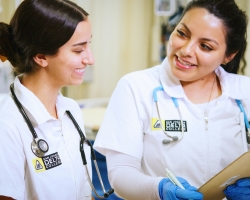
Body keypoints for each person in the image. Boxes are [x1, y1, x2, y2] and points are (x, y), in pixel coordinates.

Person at [93, 0, 250, 199]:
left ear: (229, 55)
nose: (186, 50)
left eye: (205, 46)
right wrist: (158, 189)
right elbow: (120, 173)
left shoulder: (244, 92)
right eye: (182, 33)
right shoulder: (136, 87)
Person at [0, 0, 95, 199]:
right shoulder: (7, 126)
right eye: (78, 50)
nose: (90, 59)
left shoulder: (70, 110)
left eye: (89, 45)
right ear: (41, 57)